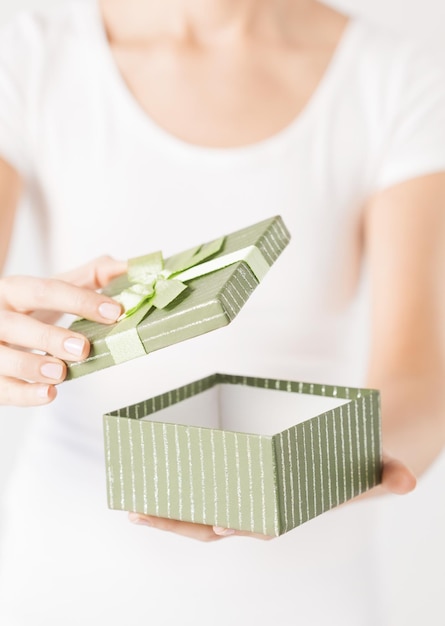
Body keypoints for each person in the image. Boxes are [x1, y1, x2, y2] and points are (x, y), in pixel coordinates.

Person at [0, 0, 444, 623]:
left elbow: (419, 383)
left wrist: (318, 468)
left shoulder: (392, 75)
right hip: (69, 573)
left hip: (307, 583)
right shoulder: (29, 54)